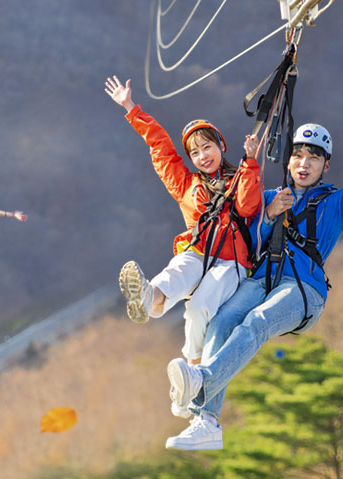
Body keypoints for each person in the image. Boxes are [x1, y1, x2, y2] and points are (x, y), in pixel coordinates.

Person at [164, 76, 343, 450]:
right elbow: (242, 238)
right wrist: (269, 214)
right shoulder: (270, 195)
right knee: (223, 319)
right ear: (288, 159)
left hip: (302, 289)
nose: (304, 163)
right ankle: (206, 421)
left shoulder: (337, 204)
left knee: (255, 323)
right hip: (262, 280)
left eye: (314, 157)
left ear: (326, 166)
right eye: (298, 155)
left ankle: (202, 382)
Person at [104, 75, 263, 419]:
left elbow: (249, 206)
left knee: (199, 308)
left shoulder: (239, 178)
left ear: (220, 146)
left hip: (231, 260)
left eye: (207, 147)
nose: (202, 155)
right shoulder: (186, 185)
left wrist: (250, 162)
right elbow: (160, 147)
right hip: (198, 251)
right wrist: (131, 108)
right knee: (178, 270)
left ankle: (191, 373)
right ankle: (150, 298)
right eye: (194, 151)